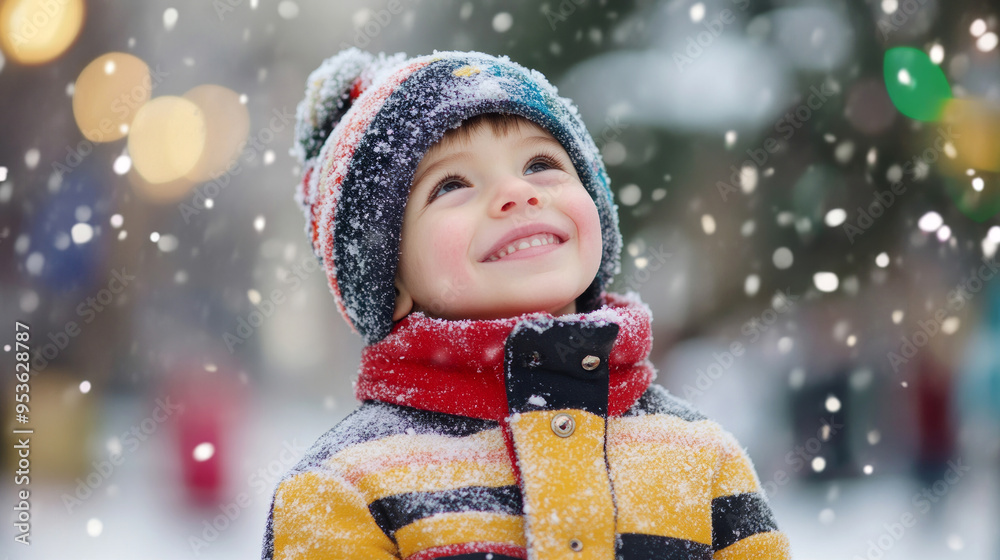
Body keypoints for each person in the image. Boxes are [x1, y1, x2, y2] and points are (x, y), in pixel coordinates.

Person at [261, 48, 791, 560]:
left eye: (540, 163)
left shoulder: (701, 460)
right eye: (450, 184)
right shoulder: (344, 487)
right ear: (388, 277)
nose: (517, 192)